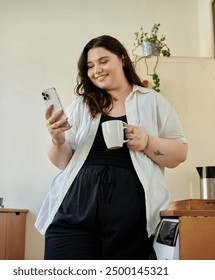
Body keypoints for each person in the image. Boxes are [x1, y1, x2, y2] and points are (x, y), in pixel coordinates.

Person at [35, 35, 188, 260]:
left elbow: (179, 154)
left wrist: (147, 142)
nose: (97, 69)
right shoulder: (82, 105)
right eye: (90, 65)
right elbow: (63, 163)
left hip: (130, 214)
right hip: (75, 206)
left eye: (103, 61)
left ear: (122, 59)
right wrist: (57, 139)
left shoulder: (152, 101)